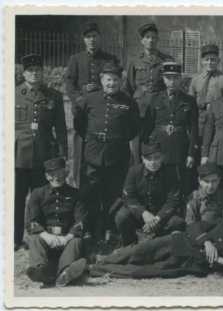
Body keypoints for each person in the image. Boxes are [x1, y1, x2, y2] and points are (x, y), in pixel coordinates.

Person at [89, 213, 223, 280]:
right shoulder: (220, 224)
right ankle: (102, 260)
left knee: (143, 271)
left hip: (187, 263)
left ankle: (98, 270)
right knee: (137, 251)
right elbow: (193, 226)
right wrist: (206, 241)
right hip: (176, 242)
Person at [73, 62, 140, 243]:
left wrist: (116, 139)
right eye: (108, 80)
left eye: (116, 80)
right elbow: (79, 125)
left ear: (121, 81)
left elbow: (133, 129)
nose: (112, 83)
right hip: (93, 154)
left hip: (116, 156)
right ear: (102, 80)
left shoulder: (129, 102)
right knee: (91, 194)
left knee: (113, 194)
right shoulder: (89, 99)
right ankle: (93, 230)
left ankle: (110, 229)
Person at [15, 54, 68, 251]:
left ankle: (40, 238)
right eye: (31, 71)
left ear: (43, 73)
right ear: (24, 73)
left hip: (44, 156)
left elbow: (61, 129)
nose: (35, 74)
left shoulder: (53, 96)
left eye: (38, 70)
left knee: (41, 199)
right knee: (17, 198)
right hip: (18, 155)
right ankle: (15, 238)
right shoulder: (13, 93)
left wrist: (63, 155)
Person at [65, 22, 120, 188]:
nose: (92, 40)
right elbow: (69, 84)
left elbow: (116, 83)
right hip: (82, 111)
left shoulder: (110, 59)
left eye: (95, 36)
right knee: (78, 148)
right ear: (84, 39)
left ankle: (101, 182)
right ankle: (76, 183)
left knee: (99, 147)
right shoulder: (76, 59)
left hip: (103, 111)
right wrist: (79, 98)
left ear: (100, 38)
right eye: (88, 37)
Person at [25, 157, 87, 288]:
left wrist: (67, 238)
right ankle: (40, 271)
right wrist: (47, 236)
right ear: (46, 176)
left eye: (59, 173)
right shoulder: (37, 193)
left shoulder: (76, 194)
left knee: (77, 241)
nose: (56, 177)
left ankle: (64, 273)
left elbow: (80, 221)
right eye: (52, 174)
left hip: (67, 240)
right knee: (35, 239)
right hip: (46, 239)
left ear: (66, 173)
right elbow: (32, 222)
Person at [142, 62, 198, 197]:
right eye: (169, 78)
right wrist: (146, 151)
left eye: (175, 78)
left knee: (180, 181)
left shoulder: (189, 100)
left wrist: (191, 153)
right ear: (163, 78)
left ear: (180, 79)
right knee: (160, 180)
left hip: (179, 146)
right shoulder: (154, 99)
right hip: (159, 146)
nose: (172, 81)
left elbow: (194, 128)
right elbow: (147, 127)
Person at [123, 23, 174, 164]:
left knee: (160, 140)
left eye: (154, 37)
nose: (151, 40)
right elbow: (128, 87)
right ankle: (139, 169)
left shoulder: (166, 60)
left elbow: (172, 86)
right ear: (142, 40)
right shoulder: (134, 60)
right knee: (138, 143)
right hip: (140, 109)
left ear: (158, 40)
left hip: (160, 109)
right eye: (147, 37)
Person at [114, 143, 184, 246]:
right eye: (149, 159)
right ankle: (129, 244)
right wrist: (143, 213)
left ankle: (161, 243)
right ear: (142, 159)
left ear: (162, 157)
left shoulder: (171, 173)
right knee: (121, 216)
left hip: (161, 216)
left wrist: (157, 219)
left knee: (177, 222)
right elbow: (128, 197)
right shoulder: (134, 171)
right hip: (140, 215)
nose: (153, 162)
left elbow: (173, 200)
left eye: (157, 158)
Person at [188, 44, 223, 142]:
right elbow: (190, 101)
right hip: (199, 118)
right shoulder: (196, 79)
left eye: (213, 59)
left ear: (218, 61)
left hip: (217, 118)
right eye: (207, 59)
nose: (210, 62)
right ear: (202, 61)